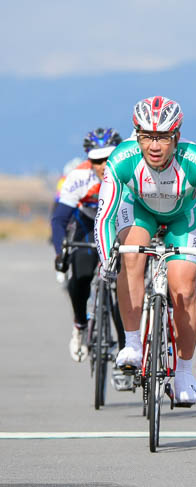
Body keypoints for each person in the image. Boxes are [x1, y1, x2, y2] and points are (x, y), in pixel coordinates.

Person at [95, 96, 196, 407]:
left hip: (184, 216)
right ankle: (131, 344)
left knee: (184, 287)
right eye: (147, 136)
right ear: (137, 135)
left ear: (176, 137)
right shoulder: (122, 158)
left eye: (163, 137)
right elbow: (104, 216)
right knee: (130, 256)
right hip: (140, 210)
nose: (154, 145)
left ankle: (183, 373)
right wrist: (105, 258)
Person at [52, 132, 123, 366]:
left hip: (118, 224)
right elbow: (59, 219)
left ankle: (126, 350)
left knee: (125, 287)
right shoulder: (78, 176)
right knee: (80, 276)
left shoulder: (129, 173)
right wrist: (60, 251)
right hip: (88, 225)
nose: (103, 166)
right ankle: (80, 325)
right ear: (89, 161)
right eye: (97, 161)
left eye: (108, 159)